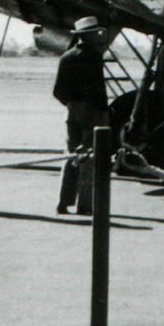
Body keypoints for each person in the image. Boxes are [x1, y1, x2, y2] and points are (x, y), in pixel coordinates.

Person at [52, 17, 108, 216]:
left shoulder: (66, 56)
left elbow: (57, 91)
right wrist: (103, 112)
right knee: (88, 156)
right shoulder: (94, 56)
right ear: (89, 34)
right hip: (91, 110)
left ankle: (63, 202)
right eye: (95, 32)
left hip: (71, 110)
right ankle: (84, 205)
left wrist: (71, 104)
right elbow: (99, 89)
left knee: (71, 154)